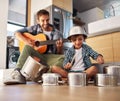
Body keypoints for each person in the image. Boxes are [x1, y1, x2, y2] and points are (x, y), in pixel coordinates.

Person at [4, 9, 67, 85]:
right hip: (38, 55)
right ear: (38, 20)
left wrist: (59, 47)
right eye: (42, 20)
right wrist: (26, 41)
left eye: (47, 20)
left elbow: (59, 54)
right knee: (27, 47)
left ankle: (43, 72)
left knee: (63, 57)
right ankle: (17, 73)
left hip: (50, 58)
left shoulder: (57, 33)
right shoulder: (35, 28)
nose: (45, 23)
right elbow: (16, 32)